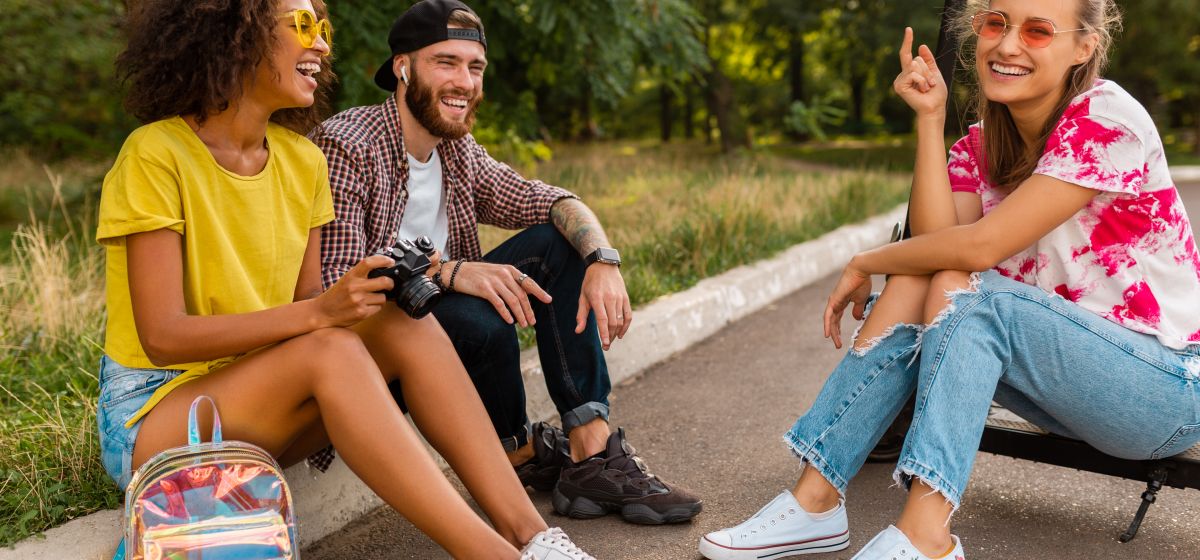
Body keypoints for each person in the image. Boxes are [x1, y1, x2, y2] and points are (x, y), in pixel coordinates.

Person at [699, 0, 1200, 559]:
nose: (1008, 45)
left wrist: (868, 260)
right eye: (996, 24)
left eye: (1037, 31)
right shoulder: (982, 146)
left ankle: (925, 538)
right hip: (1066, 383)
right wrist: (930, 118)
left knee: (975, 298)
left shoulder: (1106, 118)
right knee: (926, 280)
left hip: (1164, 390)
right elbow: (937, 251)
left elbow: (980, 247)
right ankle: (814, 502)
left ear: (1083, 48)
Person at [94, 1, 593, 557]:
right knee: (330, 350)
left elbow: (309, 303)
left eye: (323, 28)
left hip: (262, 398)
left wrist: (351, 297)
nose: (323, 45)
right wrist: (321, 311)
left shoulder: (301, 161)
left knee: (402, 322)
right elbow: (164, 335)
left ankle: (536, 538)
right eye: (303, 26)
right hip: (159, 415)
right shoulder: (154, 155)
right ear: (236, 35)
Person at [310, 0, 702, 524]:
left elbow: (548, 200)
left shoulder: (457, 151)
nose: (464, 81)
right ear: (403, 67)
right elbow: (338, 285)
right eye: (446, 62)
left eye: (475, 67)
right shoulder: (348, 143)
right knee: (481, 321)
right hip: (378, 349)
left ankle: (590, 450)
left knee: (557, 244)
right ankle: (517, 450)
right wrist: (447, 270)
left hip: (447, 324)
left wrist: (603, 259)